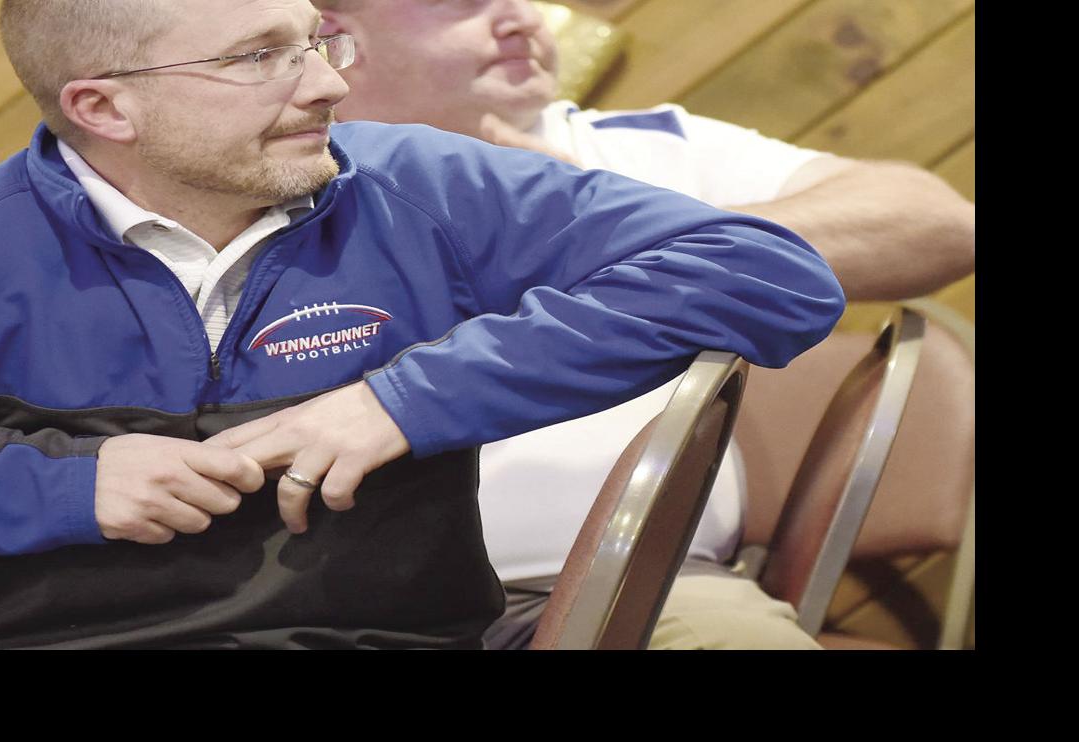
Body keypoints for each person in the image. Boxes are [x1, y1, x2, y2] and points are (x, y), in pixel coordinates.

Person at [0, 0, 843, 651]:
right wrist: (67, 485)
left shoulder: (417, 182)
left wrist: (403, 400)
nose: (324, 81)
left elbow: (765, 271)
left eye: (314, 39)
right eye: (263, 56)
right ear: (102, 104)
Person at [313, 0, 976, 649]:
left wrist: (654, 237)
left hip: (649, 588)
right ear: (336, 34)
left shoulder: (622, 147)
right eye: (462, 4)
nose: (522, 16)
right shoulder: (275, 180)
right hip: (333, 611)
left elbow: (939, 225)